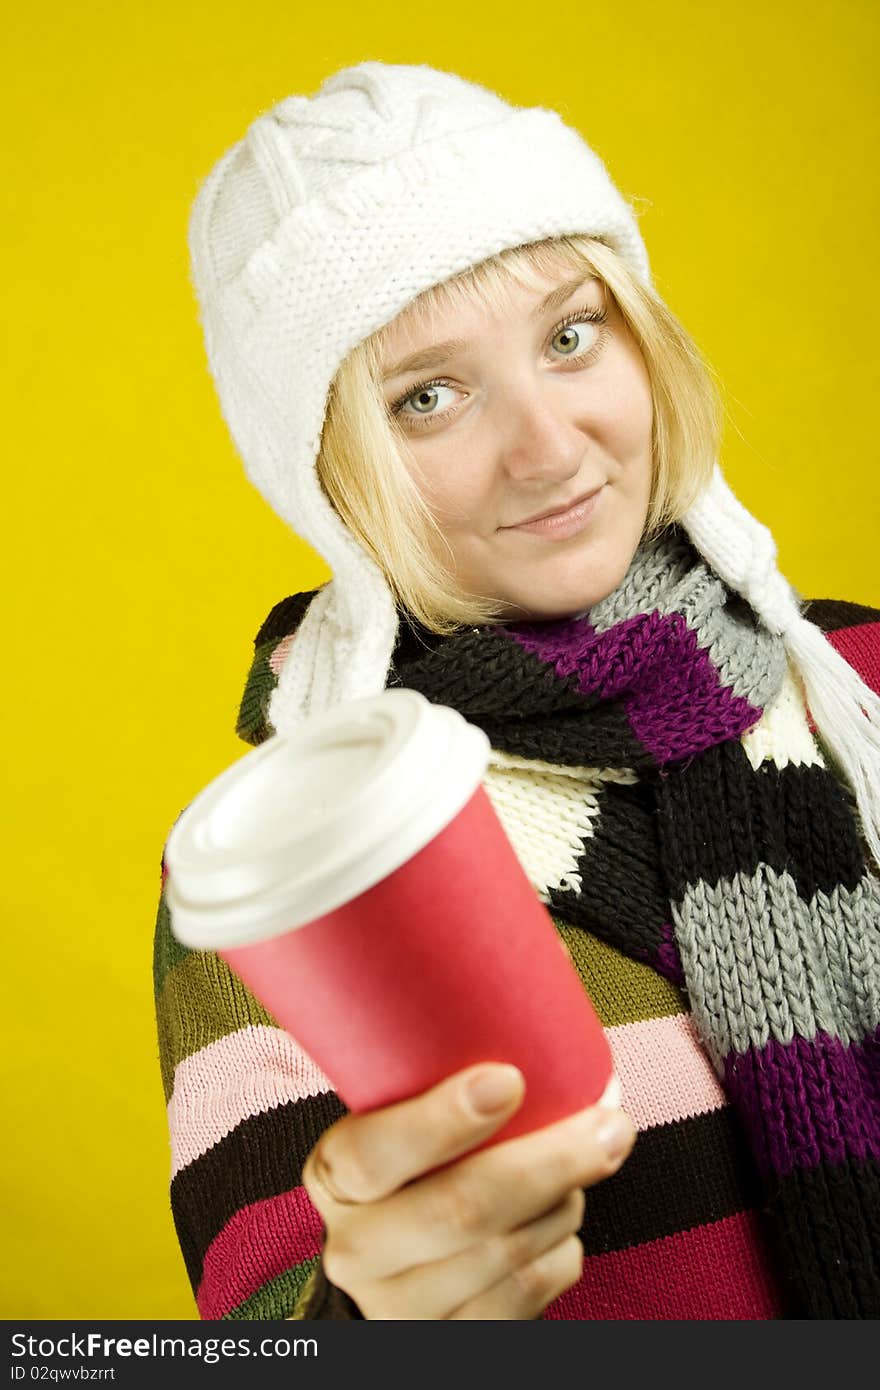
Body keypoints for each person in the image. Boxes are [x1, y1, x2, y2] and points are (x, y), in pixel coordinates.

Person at [153, 60, 880, 1321]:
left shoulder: (855, 681)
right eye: (426, 398)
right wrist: (374, 1316)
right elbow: (268, 1322)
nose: (548, 448)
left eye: (569, 333)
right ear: (321, 474)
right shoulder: (293, 868)